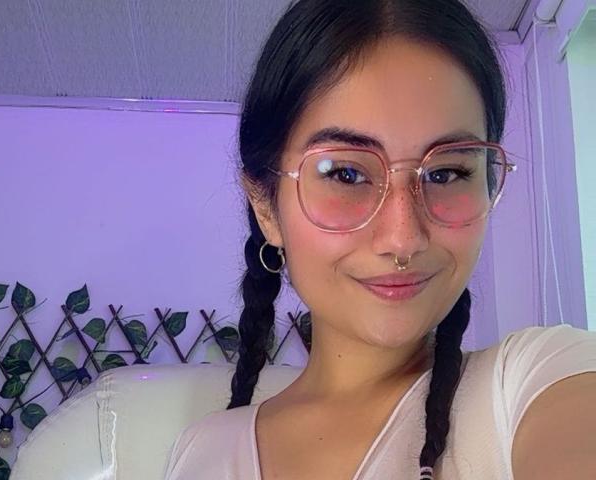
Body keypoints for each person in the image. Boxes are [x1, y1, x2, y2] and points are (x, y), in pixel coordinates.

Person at [164, 0, 596, 478]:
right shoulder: (201, 453)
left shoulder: (536, 382)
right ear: (266, 207)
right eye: (345, 174)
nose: (403, 238)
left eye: (447, 172)